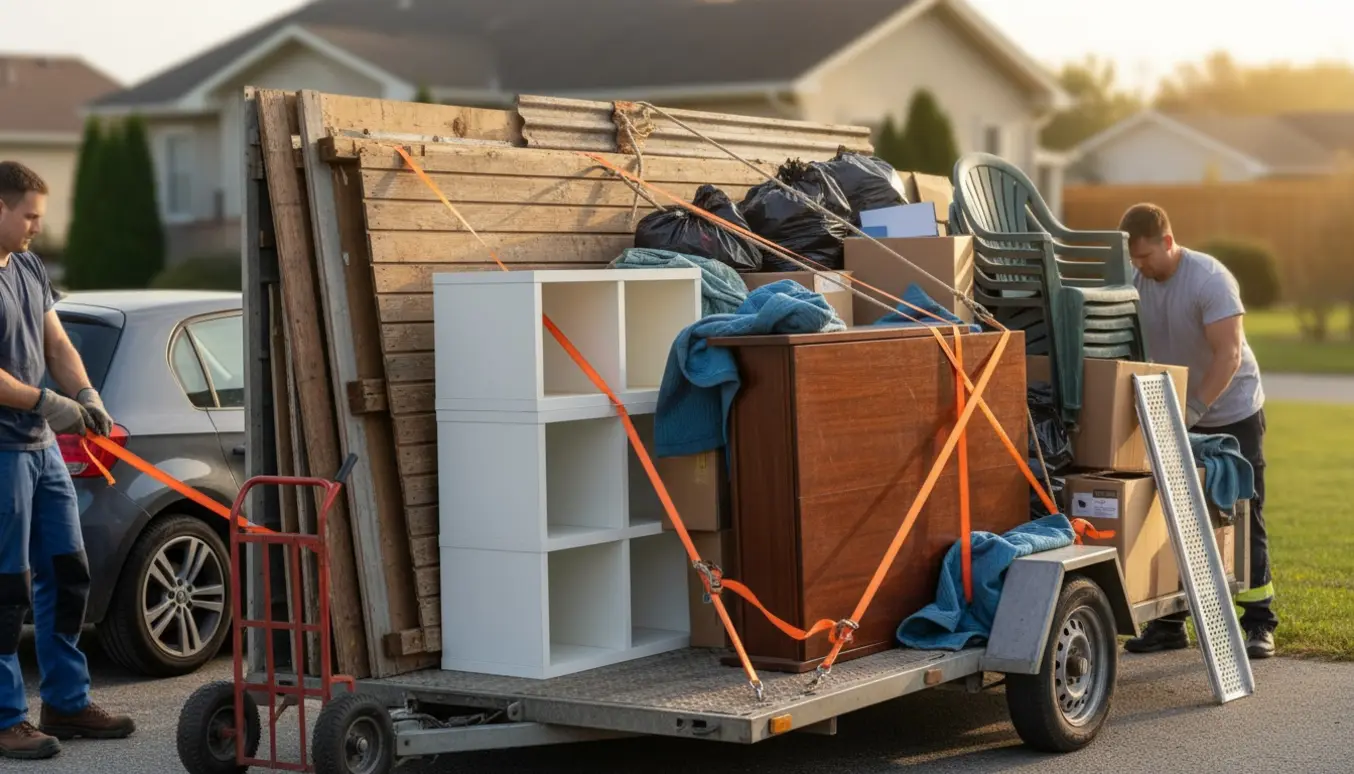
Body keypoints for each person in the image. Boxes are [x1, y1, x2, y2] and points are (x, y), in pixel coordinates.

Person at [0, 161, 136, 760]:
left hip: (41, 449)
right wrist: (43, 400)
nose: (36, 227)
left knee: (66, 573)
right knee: (6, 589)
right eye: (28, 215)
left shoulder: (29, 268)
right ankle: (5, 717)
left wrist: (86, 393)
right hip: (3, 452)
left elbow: (57, 342)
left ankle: (67, 702)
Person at [1116, 202, 1276, 660]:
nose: (1141, 266)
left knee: (1243, 513)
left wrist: (1195, 409)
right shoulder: (1136, 282)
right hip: (1174, 410)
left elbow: (1227, 355)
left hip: (1231, 410)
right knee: (1167, 511)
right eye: (1134, 260)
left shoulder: (1210, 280)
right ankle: (1169, 625)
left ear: (1168, 241)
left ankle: (1260, 623)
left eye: (1146, 256)